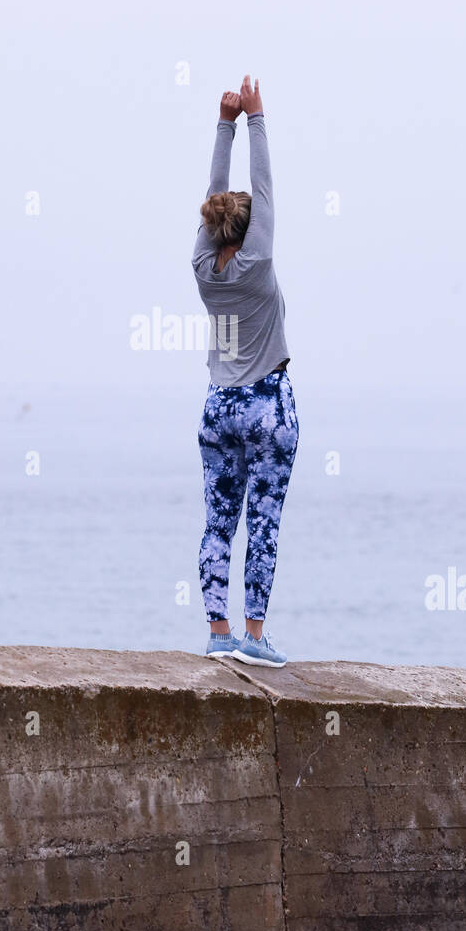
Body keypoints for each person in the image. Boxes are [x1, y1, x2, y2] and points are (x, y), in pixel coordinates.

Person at [191, 75, 298, 668]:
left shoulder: (203, 266)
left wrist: (225, 124)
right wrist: (255, 120)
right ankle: (254, 637)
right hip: (267, 407)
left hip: (218, 409)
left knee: (217, 522)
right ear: (251, 228)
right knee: (263, 521)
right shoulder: (257, 263)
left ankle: (218, 630)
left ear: (209, 228)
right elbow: (264, 188)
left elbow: (215, 194)